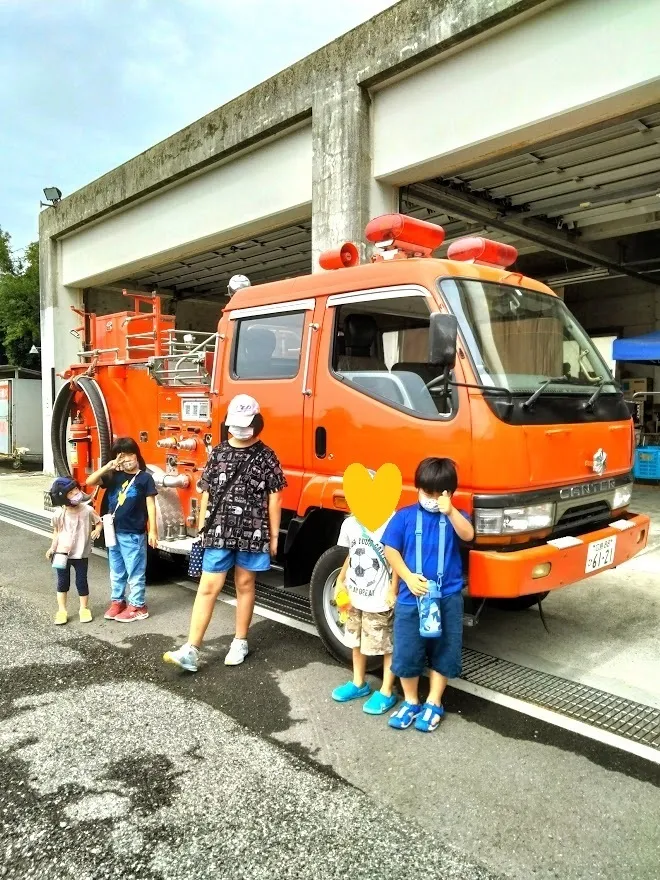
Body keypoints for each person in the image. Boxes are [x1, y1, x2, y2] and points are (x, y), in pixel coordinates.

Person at [163, 394, 286, 672]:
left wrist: (274, 536)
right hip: (218, 531)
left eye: (246, 423)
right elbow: (206, 491)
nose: (240, 429)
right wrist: (202, 527)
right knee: (208, 587)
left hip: (253, 531)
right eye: (236, 423)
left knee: (245, 585)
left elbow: (275, 497)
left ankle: (240, 641)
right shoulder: (218, 451)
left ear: (257, 422)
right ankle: (191, 648)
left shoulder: (267, 455)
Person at [382, 457, 474, 733]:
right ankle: (411, 701)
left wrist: (451, 511)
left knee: (445, 649)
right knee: (407, 650)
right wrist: (407, 578)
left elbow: (468, 535)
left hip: (447, 596)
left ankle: (434, 702)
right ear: (417, 488)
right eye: (427, 493)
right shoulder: (405, 516)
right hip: (413, 597)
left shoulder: (456, 516)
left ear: (450, 493)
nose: (432, 499)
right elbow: (391, 549)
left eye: (439, 494)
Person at [331, 513, 399, 714]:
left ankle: (387, 690)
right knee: (355, 639)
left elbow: (396, 557)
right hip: (354, 596)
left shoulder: (391, 522)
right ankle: (358, 682)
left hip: (379, 599)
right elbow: (352, 554)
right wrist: (341, 580)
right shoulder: (350, 523)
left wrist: (393, 589)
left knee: (385, 644)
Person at [87, 437, 158, 622]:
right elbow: (90, 480)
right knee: (116, 570)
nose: (126, 459)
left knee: (135, 571)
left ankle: (138, 605)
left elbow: (151, 504)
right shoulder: (113, 476)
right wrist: (108, 466)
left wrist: (153, 530)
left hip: (134, 533)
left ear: (136, 455)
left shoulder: (145, 478)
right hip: (113, 532)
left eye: (129, 454)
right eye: (121, 456)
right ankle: (118, 601)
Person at [46, 477, 102, 625]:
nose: (76, 493)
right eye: (71, 492)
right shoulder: (59, 514)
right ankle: (62, 610)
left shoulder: (88, 510)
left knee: (81, 581)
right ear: (63, 497)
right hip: (61, 554)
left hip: (81, 554)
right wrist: (52, 548)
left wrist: (97, 530)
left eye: (76, 489)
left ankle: (84, 609)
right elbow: (56, 532)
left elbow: (99, 522)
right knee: (62, 582)